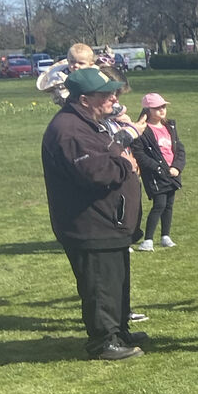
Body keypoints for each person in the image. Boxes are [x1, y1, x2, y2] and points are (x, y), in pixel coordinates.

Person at [41, 67, 145, 360]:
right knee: (101, 285)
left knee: (116, 283)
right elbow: (96, 172)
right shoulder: (69, 130)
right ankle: (103, 341)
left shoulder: (88, 122)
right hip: (91, 226)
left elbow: (108, 152)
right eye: (105, 94)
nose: (113, 98)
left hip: (108, 222)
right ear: (84, 99)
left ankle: (119, 331)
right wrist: (126, 164)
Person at [131, 92, 185, 250]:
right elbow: (139, 154)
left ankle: (165, 236)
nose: (162, 110)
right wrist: (159, 168)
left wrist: (177, 167)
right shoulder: (143, 130)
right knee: (159, 204)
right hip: (156, 175)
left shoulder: (170, 126)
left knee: (169, 205)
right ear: (147, 110)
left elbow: (179, 149)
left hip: (172, 173)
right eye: (157, 108)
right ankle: (148, 240)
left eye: (163, 107)